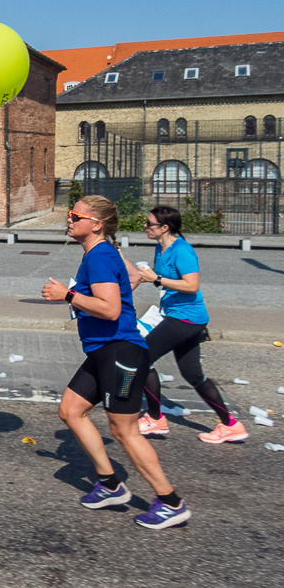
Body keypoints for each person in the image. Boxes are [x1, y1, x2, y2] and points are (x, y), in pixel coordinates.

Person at [42, 196, 192, 530]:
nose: (68, 219)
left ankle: (170, 503)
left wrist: (67, 296)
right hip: (102, 353)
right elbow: (132, 276)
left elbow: (109, 309)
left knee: (123, 430)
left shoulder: (98, 257)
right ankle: (110, 484)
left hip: (120, 353)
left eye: (75, 215)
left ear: (95, 223)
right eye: (70, 214)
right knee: (70, 410)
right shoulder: (103, 252)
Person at [123, 205, 247, 444]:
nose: (145, 227)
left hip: (185, 318)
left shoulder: (182, 251)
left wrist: (157, 278)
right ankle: (231, 425)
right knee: (194, 375)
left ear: (165, 227)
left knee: (141, 357)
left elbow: (192, 285)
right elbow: (162, 280)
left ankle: (155, 417)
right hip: (181, 316)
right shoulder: (161, 248)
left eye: (150, 224)